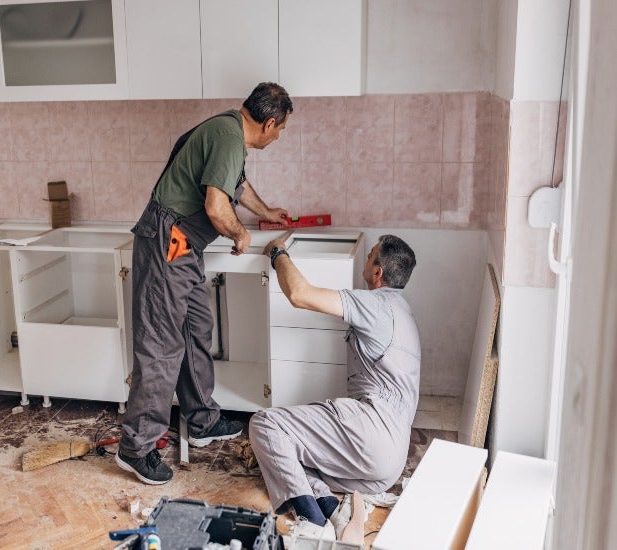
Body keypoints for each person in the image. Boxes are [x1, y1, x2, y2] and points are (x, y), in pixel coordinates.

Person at [116, 82, 293, 485]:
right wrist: (239, 234)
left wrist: (267, 212)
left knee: (197, 326)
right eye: (282, 129)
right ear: (269, 123)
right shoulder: (229, 137)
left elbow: (237, 186)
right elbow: (217, 206)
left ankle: (201, 420)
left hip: (183, 245)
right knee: (161, 344)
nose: (280, 136)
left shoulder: (227, 130)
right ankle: (135, 447)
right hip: (169, 239)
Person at [249, 234, 420, 540]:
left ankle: (312, 525)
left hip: (372, 434)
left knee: (265, 425)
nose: (366, 261)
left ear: (378, 273)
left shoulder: (375, 304)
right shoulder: (404, 311)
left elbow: (300, 294)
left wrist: (277, 252)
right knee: (294, 457)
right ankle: (334, 511)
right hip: (388, 467)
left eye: (370, 257)